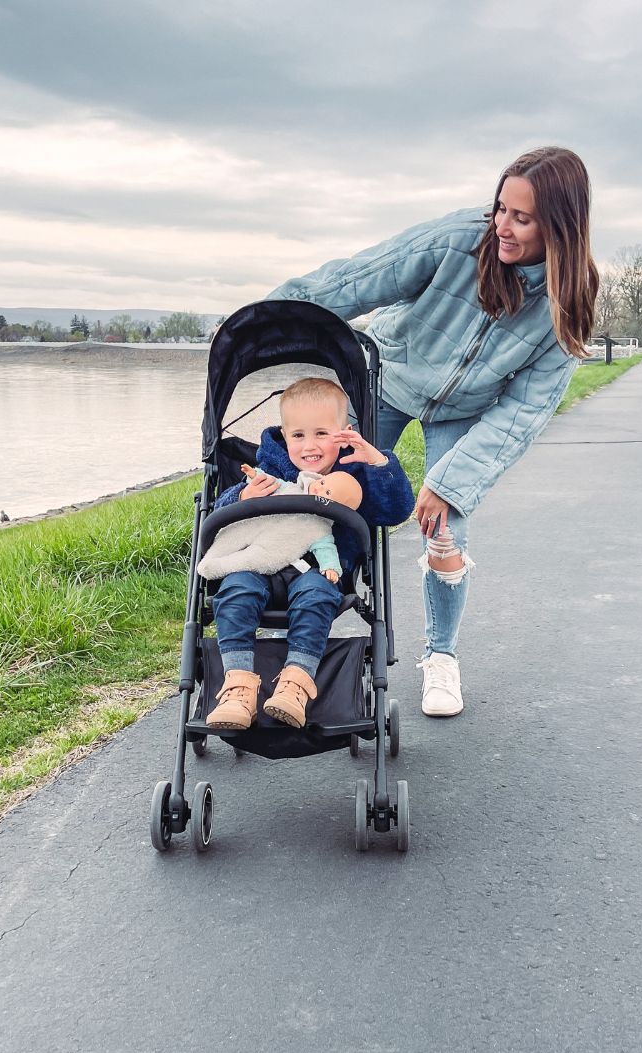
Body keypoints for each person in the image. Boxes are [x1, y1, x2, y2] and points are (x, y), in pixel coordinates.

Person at [267, 146, 598, 718]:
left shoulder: (569, 299)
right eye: (500, 209)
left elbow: (524, 410)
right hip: (390, 379)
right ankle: (307, 610)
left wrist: (451, 482)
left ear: (561, 226)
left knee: (447, 533)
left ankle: (440, 658)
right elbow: (361, 279)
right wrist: (271, 313)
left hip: (466, 410)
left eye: (522, 218)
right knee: (325, 492)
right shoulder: (459, 241)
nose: (503, 226)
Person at [205, 377, 414, 731]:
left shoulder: (356, 474)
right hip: (260, 564)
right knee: (236, 588)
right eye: (298, 436)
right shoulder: (270, 469)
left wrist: (379, 462)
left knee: (316, 595)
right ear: (284, 436)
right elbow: (222, 515)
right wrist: (242, 499)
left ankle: (296, 685)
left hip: (323, 572)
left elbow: (396, 510)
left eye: (321, 433)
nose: (309, 446)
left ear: (344, 432)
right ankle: (238, 687)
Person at [196, 464, 363, 584]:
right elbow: (272, 482)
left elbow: (326, 549)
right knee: (232, 535)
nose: (318, 489)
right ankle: (208, 561)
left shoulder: (320, 529)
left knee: (252, 559)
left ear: (338, 508)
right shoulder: (292, 488)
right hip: (256, 524)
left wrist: (331, 567)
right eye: (322, 483)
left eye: (327, 492)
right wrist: (255, 474)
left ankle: (215, 568)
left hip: (273, 550)